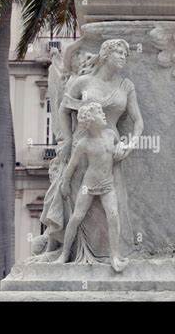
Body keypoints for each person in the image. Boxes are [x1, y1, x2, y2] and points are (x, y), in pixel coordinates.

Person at [31, 39, 143, 264]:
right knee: (76, 209)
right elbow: (63, 109)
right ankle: (67, 252)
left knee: (112, 211)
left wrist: (130, 145)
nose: (123, 57)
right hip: (84, 145)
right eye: (119, 52)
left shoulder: (126, 86)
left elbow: (138, 121)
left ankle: (111, 255)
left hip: (111, 149)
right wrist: (69, 139)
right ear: (105, 55)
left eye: (125, 54)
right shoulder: (83, 82)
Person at [56, 103, 128, 272]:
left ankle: (115, 255)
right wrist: (65, 183)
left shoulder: (110, 135)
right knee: (76, 217)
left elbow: (122, 149)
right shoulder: (84, 144)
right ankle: (64, 254)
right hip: (88, 185)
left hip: (107, 185)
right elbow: (72, 166)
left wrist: (121, 148)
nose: (104, 115)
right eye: (99, 113)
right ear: (90, 121)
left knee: (113, 216)